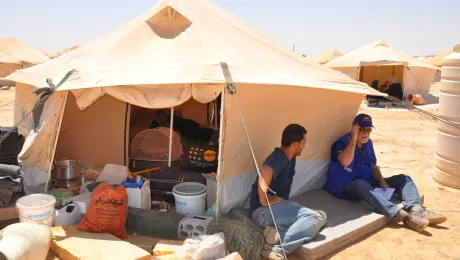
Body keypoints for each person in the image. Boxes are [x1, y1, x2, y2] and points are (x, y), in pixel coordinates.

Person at [323, 114, 446, 232]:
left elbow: (373, 166)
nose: (366, 133)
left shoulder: (368, 143)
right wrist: (354, 139)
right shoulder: (342, 143)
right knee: (360, 184)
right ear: (354, 128)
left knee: (404, 179)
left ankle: (416, 209)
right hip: (346, 187)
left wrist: (381, 180)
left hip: (368, 183)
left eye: (369, 129)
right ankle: (403, 216)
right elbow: (345, 162)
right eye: (362, 129)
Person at [250, 124, 327, 260]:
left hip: (275, 208)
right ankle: (275, 249)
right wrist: (263, 199)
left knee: (321, 215)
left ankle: (277, 232)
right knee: (314, 218)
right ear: (295, 144)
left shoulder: (289, 157)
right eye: (303, 143)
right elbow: (264, 171)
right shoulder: (280, 158)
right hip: (262, 212)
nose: (304, 146)